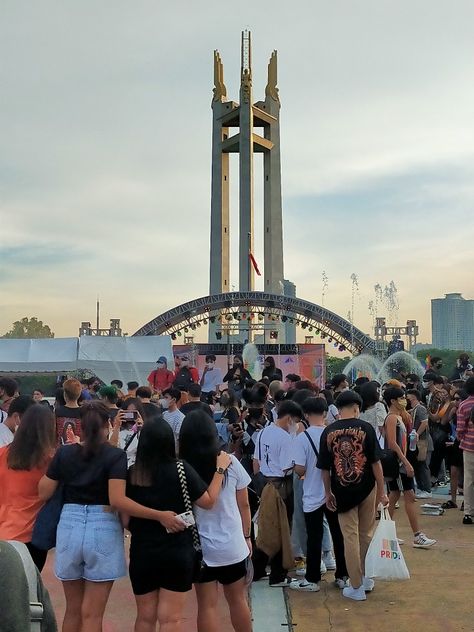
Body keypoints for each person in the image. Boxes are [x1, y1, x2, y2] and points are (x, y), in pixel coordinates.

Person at [38, 401, 188, 632]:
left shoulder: (65, 454)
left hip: (69, 524)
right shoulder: (115, 456)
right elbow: (117, 500)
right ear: (108, 425)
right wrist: (159, 515)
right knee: (92, 614)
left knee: (73, 610)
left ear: (81, 428)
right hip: (102, 524)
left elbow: (44, 492)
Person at [124, 414, 231, 632]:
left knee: (144, 617)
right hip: (177, 552)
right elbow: (208, 501)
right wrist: (220, 470)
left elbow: (126, 520)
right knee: (170, 619)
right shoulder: (181, 469)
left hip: (142, 552)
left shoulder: (133, 474)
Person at [179, 411, 252, 632]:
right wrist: (247, 536)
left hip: (200, 548)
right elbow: (245, 505)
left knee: (207, 606)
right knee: (238, 600)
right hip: (232, 544)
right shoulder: (229, 462)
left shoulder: (183, 467)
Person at [317, 390, 388, 602]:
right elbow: (376, 463)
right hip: (367, 488)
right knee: (366, 534)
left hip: (341, 491)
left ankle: (355, 585)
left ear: (338, 409)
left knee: (349, 537)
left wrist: (328, 492)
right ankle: (365, 579)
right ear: (357, 408)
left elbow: (324, 468)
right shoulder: (366, 428)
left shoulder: (328, 431)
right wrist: (382, 491)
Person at [290, 397, 348, 592]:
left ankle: (312, 578)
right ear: (325, 413)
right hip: (335, 493)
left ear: (306, 415)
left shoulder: (302, 438)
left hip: (312, 494)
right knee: (338, 535)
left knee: (313, 537)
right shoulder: (335, 434)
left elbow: (299, 469)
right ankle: (342, 575)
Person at [252, 400, 302, 587]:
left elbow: (256, 462)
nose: (296, 425)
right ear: (289, 418)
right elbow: (289, 466)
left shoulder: (264, 432)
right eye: (295, 421)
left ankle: (257, 570)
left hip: (265, 484)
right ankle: (278, 575)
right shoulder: (285, 438)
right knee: (282, 529)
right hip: (282, 486)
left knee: (266, 529)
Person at [0, 404, 56, 571]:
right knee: (29, 589)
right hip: (33, 534)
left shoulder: (3, 454)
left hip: (4, 528)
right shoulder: (50, 460)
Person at [383, 387, 437, 548]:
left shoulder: (398, 416)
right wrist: (405, 462)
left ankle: (387, 534)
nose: (404, 400)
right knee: (409, 497)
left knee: (394, 496)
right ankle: (417, 535)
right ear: (392, 401)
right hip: (398, 464)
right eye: (401, 398)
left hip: (400, 463)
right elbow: (392, 443)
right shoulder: (392, 418)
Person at [406, 389, 432, 497]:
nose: (406, 400)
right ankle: (421, 487)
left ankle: (427, 489)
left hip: (422, 440)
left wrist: (416, 433)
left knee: (422, 464)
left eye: (408, 398)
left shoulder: (420, 408)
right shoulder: (414, 410)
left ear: (414, 398)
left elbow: (425, 422)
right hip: (417, 441)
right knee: (417, 464)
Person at [456, 377, 474, 524]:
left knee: (469, 480)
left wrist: (462, 438)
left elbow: (460, 429)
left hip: (469, 446)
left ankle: (468, 512)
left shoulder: (464, 405)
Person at [55, 378, 82, 443]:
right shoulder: (85, 412)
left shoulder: (58, 411)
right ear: (79, 394)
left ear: (65, 394)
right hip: (80, 450)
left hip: (61, 449)